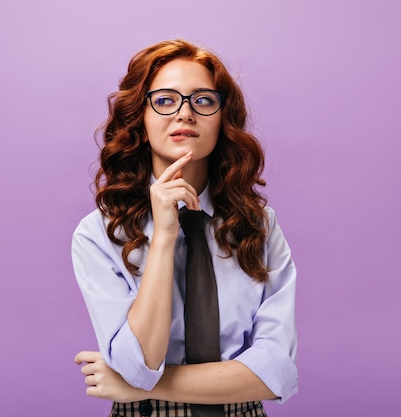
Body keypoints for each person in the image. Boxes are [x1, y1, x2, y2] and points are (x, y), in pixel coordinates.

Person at [71, 39, 297, 417]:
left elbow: (274, 374)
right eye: (164, 100)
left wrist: (134, 385)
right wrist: (164, 235)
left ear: (223, 119)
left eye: (203, 100)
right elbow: (140, 361)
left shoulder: (259, 227)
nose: (185, 114)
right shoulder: (98, 234)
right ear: (139, 118)